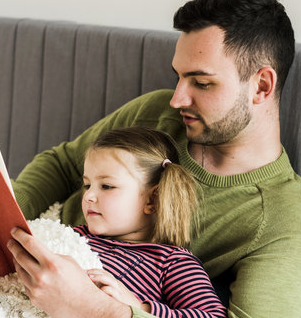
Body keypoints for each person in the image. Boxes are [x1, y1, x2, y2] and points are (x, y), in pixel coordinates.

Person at [6, 0, 301, 318]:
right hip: (27, 253)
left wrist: (96, 308)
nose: (177, 99)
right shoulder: (155, 113)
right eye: (179, 77)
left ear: (261, 86)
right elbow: (62, 163)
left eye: (201, 82)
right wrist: (2, 222)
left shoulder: (280, 223)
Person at [75, 126, 226, 317]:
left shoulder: (171, 262)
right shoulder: (74, 236)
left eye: (107, 186)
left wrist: (139, 307)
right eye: (87, 185)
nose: (88, 195)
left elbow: (213, 315)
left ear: (152, 200)